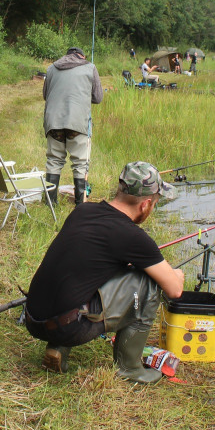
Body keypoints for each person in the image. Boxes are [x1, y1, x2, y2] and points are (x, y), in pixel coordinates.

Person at [24, 161, 184, 384]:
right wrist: (177, 275)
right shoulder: (132, 236)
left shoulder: (83, 211)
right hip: (68, 327)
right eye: (155, 204)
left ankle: (58, 347)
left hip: (33, 320)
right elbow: (174, 290)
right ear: (146, 204)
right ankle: (130, 369)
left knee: (90, 276)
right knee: (149, 283)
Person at [43, 47, 103, 205]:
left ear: (66, 56)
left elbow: (45, 95)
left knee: (54, 161)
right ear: (81, 56)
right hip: (77, 122)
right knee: (80, 163)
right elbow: (97, 98)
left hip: (53, 122)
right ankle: (80, 205)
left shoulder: (51, 68)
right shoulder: (90, 67)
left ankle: (50, 203)